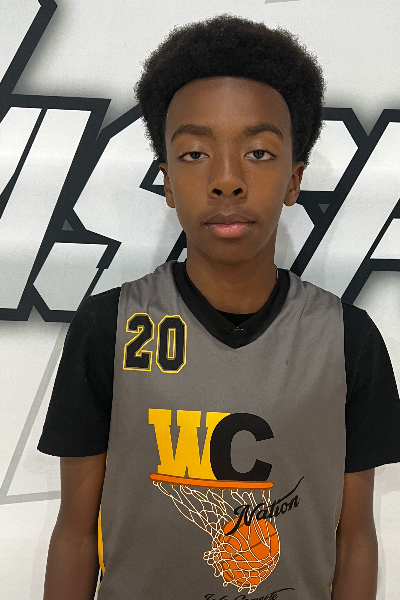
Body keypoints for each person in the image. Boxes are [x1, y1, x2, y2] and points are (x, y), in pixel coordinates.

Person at [38, 14, 400, 600]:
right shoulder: (108, 327)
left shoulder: (348, 339)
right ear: (166, 182)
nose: (227, 179)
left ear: (294, 179)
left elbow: (355, 538)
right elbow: (77, 533)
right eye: (194, 154)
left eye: (257, 152)